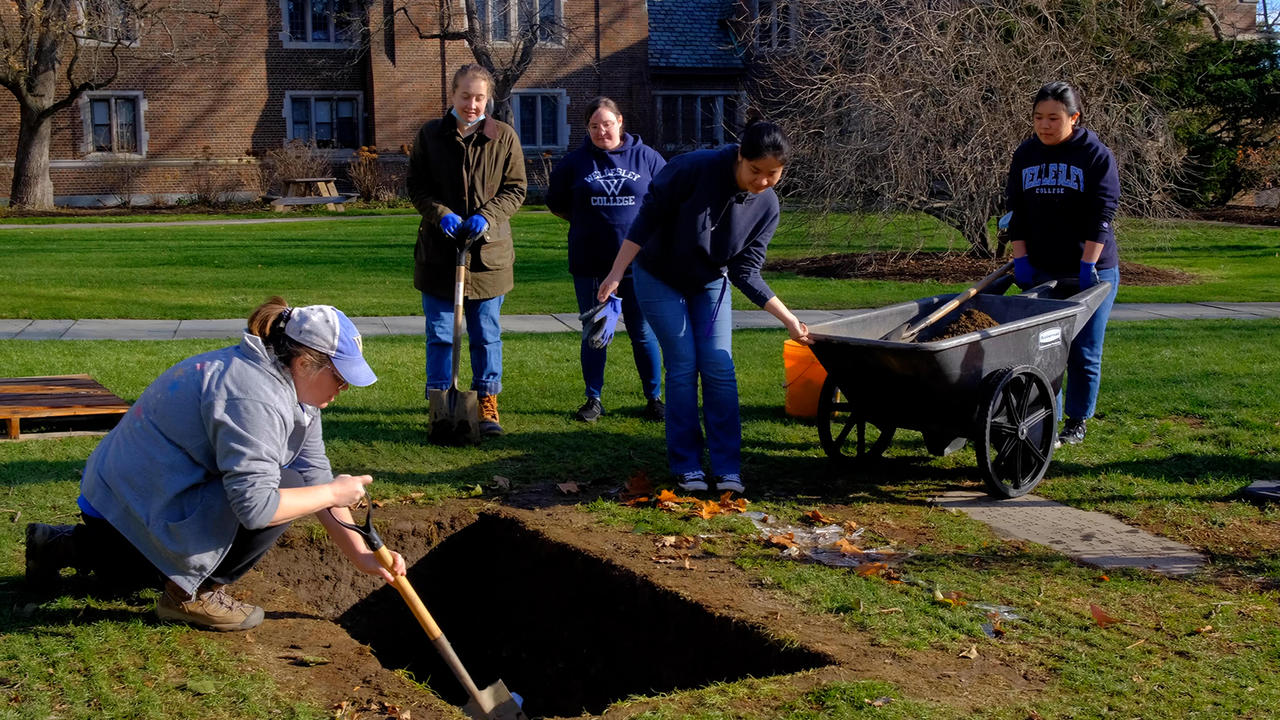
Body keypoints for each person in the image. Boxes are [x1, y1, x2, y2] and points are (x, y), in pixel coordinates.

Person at [23, 297, 407, 631]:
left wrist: (360, 553)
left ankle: (62, 546)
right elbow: (257, 509)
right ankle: (193, 596)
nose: (342, 391)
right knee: (285, 485)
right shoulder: (253, 395)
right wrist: (331, 492)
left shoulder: (292, 388)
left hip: (118, 497)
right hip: (130, 503)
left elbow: (315, 471)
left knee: (136, 577)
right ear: (305, 362)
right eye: (339, 379)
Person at [598, 120, 812, 495]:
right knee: (682, 363)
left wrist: (790, 319)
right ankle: (687, 465)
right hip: (659, 273)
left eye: (772, 174)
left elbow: (746, 271)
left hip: (710, 280)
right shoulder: (692, 168)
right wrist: (616, 273)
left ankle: (727, 466)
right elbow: (645, 219)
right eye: (755, 171)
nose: (761, 181)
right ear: (740, 157)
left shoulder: (767, 207)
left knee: (718, 364)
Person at [408, 64, 528, 437]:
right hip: (440, 256)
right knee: (441, 333)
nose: (473, 104)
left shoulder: (503, 136)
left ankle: (487, 402)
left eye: (479, 97)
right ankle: (440, 402)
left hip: (488, 257)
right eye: (466, 96)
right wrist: (440, 214)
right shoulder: (431, 135)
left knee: (485, 334)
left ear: (488, 98)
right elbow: (417, 188)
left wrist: (487, 217)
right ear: (453, 94)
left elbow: (515, 189)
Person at [1005, 81, 1121, 447]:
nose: (1044, 125)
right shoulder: (1025, 154)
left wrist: (1088, 265)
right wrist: (1020, 260)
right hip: (1042, 267)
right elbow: (1016, 213)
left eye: (1054, 118)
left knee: (1083, 349)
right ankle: (1046, 420)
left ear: (1074, 117)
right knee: (1044, 348)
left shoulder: (1094, 155)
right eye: (1038, 117)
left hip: (1093, 270)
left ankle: (1077, 421)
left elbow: (1102, 214)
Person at [546, 97, 666, 423]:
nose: (602, 131)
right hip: (592, 264)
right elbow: (556, 203)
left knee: (642, 332)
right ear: (587, 129)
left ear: (620, 121)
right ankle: (593, 399)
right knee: (598, 331)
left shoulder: (648, 158)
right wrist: (589, 222)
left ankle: (654, 399)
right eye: (595, 126)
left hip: (639, 265)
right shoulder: (575, 163)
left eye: (607, 124)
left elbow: (667, 201)